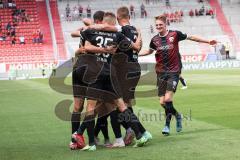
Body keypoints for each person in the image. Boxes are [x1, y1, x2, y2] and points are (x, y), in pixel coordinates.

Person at [72, 12, 148, 151]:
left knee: (91, 108)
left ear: (103, 22)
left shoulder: (91, 32)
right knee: (121, 106)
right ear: (114, 23)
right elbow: (136, 48)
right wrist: (139, 34)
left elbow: (86, 47)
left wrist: (101, 48)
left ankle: (92, 144)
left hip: (96, 72)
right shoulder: (118, 35)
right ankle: (140, 134)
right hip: (110, 73)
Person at [139, 14, 217, 135]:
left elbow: (191, 37)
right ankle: (178, 116)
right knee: (162, 102)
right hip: (160, 73)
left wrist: (208, 41)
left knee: (168, 98)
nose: (158, 26)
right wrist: (136, 54)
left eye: (160, 24)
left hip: (173, 72)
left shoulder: (175, 34)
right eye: (157, 25)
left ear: (165, 24)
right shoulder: (155, 39)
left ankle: (167, 125)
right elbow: (149, 51)